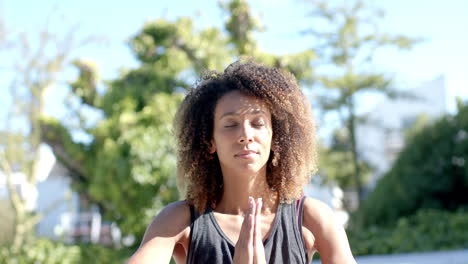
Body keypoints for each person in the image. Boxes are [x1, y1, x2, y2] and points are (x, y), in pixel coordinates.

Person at [128, 60, 356, 264]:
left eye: (258, 123)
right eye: (230, 124)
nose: (245, 135)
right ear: (210, 141)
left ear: (275, 137)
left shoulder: (312, 218)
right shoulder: (180, 220)